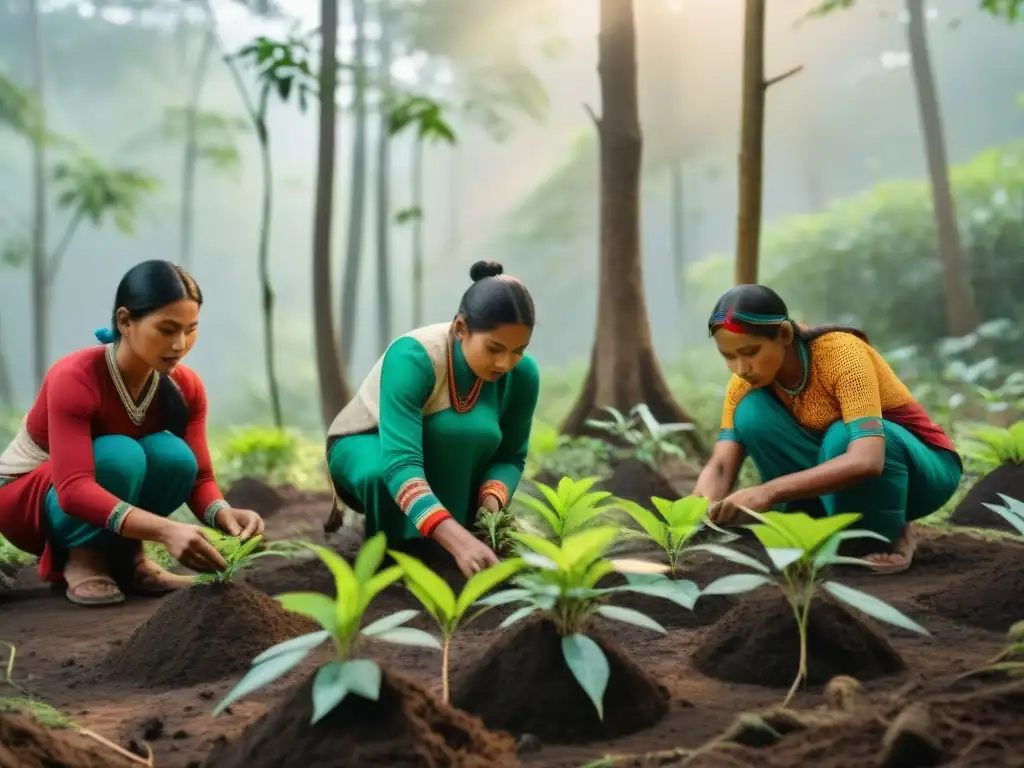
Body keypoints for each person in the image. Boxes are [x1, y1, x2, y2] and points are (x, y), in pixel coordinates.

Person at [0, 260, 264, 606]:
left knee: (173, 458)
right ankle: (83, 559)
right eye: (167, 329)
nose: (180, 344)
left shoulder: (186, 387)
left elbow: (198, 477)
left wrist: (223, 514)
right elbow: (74, 489)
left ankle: (129, 560)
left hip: (92, 490)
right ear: (125, 321)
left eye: (190, 329)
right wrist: (166, 530)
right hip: (29, 503)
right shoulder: (75, 376)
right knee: (120, 455)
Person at [693, 284, 962, 573]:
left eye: (750, 352)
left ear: (784, 334)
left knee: (843, 436)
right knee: (751, 413)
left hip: (920, 473)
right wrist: (693, 515)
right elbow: (722, 466)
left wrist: (768, 492)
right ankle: (809, 524)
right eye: (729, 356)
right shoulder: (743, 385)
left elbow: (868, 459)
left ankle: (885, 535)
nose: (741, 367)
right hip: (835, 472)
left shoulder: (841, 354)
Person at [325, 260, 540, 579]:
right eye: (494, 348)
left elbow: (510, 455)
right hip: (370, 440)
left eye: (518, 350)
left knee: (464, 431)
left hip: (445, 454)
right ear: (460, 329)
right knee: (381, 474)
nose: (505, 363)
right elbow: (399, 464)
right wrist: (460, 543)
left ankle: (447, 532)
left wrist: (490, 505)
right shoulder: (413, 358)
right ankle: (393, 555)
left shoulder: (523, 374)